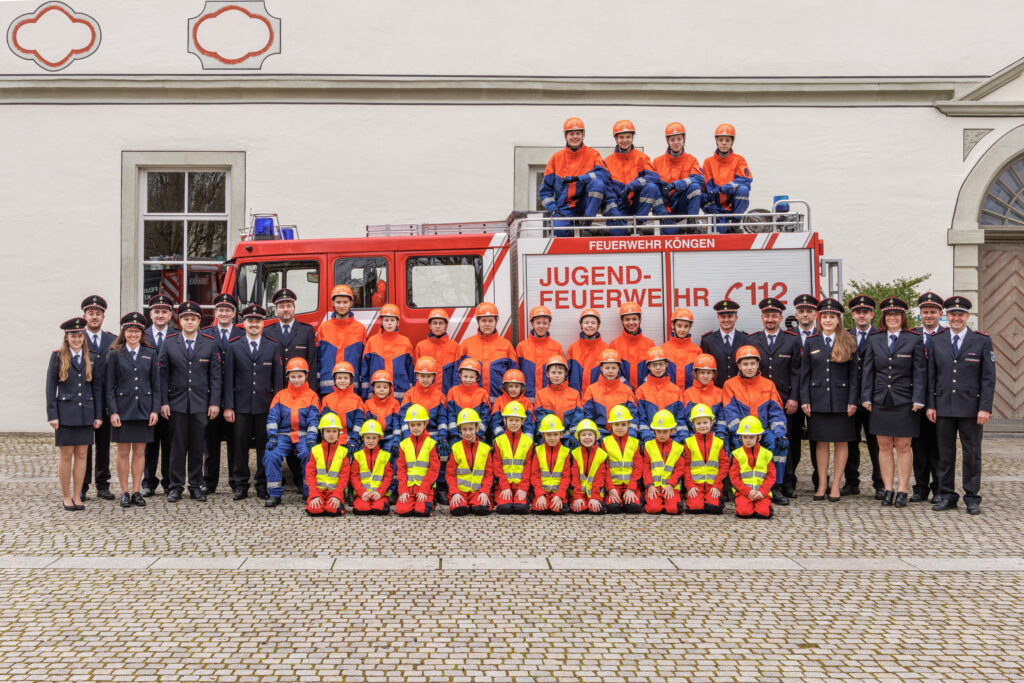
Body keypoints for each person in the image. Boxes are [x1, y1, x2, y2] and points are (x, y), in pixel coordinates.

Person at [927, 296, 995, 515]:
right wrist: (931, 405)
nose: (956, 318)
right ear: (947, 316)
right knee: (944, 454)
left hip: (971, 409)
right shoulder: (937, 340)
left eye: (961, 314)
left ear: (967, 316)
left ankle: (972, 497)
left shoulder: (981, 341)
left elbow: (988, 378)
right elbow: (931, 376)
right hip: (943, 406)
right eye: (953, 314)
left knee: (972, 454)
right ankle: (947, 495)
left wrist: (985, 408)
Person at [861, 297, 927, 507]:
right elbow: (868, 370)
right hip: (880, 399)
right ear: (883, 318)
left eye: (896, 314)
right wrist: (866, 397)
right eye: (889, 315)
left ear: (902, 317)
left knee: (903, 446)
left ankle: (902, 490)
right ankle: (888, 488)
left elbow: (919, 371)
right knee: (883, 446)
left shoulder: (914, 339)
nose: (892, 318)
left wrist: (918, 398)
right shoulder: (875, 339)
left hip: (905, 400)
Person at [159, 301, 221, 502]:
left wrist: (214, 402)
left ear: (199, 321)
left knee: (197, 447)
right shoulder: (169, 343)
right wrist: (163, 402)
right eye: (185, 318)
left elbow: (215, 376)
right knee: (177, 447)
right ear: (180, 321)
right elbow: (163, 376)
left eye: (193, 318)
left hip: (200, 403)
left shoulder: (209, 343)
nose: (189, 322)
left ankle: (195, 485)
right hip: (176, 403)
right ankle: (175, 486)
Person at [799, 298, 859, 502]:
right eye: (824, 316)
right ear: (820, 319)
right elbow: (805, 374)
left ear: (838, 319)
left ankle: (836, 486)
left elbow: (854, 375)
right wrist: (805, 400)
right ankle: (822, 484)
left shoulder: (849, 340)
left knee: (842, 443)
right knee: (821, 443)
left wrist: (853, 400)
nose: (827, 320)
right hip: (818, 400)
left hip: (842, 401)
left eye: (832, 316)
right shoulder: (811, 342)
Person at [223, 303, 283, 500]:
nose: (254, 324)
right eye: (250, 321)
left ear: (263, 324)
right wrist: (228, 406)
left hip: (266, 407)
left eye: (258, 321)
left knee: (264, 447)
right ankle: (241, 484)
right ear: (244, 323)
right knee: (239, 447)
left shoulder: (273, 346)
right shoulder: (234, 346)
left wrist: (277, 407)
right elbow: (228, 379)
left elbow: (278, 379)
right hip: (241, 406)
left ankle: (262, 484)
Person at [746, 297, 803, 500]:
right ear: (762, 318)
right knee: (765, 442)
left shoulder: (792, 339)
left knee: (788, 442)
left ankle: (787, 482)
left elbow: (797, 371)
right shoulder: (752, 340)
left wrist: (794, 397)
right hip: (760, 401)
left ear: (780, 318)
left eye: (774, 316)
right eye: (767, 315)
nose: (770, 319)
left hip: (786, 401)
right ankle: (766, 481)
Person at [47, 316, 103, 511]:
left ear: (83, 337)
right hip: (65, 413)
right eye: (73, 336)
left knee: (82, 455)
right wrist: (52, 414)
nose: (77, 339)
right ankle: (66, 496)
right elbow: (50, 387)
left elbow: (97, 388)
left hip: (86, 412)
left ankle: (77, 495)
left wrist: (98, 415)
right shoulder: (57, 357)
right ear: (67, 337)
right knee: (66, 455)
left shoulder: (92, 357)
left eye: (80, 336)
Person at [721, 345, 789, 504]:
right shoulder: (730, 385)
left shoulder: (768, 384)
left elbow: (776, 412)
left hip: (764, 431)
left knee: (779, 445)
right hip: (742, 433)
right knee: (742, 452)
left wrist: (780, 433)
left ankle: (775, 487)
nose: (749, 367)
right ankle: (742, 489)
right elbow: (730, 413)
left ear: (758, 364)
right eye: (745, 364)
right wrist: (740, 433)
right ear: (739, 365)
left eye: (752, 363)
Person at [105, 312, 160, 508]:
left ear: (142, 334)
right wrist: (112, 411)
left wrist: (155, 410)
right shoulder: (115, 353)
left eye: (137, 331)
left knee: (139, 452)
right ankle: (124, 492)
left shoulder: (150, 353)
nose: (133, 334)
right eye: (130, 331)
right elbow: (109, 386)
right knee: (122, 453)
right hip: (123, 410)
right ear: (124, 333)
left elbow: (156, 385)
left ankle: (137, 491)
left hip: (144, 410)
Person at [538, 117, 612, 237]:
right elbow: (545, 192)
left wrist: (580, 178)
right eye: (571, 134)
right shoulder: (556, 159)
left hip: (586, 204)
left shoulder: (593, 155)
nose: (575, 137)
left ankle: (586, 223)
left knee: (598, 183)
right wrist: (554, 210)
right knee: (560, 231)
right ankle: (579, 231)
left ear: (583, 135)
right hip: (564, 207)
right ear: (565, 136)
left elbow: (603, 175)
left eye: (578, 133)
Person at [201, 292, 243, 496]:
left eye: (228, 310)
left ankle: (236, 481)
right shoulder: (205, 334)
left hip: (236, 396)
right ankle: (209, 482)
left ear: (234, 313)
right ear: (215, 313)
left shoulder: (242, 333)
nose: (224, 313)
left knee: (236, 441)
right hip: (212, 397)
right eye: (220, 310)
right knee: (211, 442)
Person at [264, 358, 320, 508]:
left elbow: (314, 421)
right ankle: (274, 494)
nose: (296, 380)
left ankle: (308, 492)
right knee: (271, 455)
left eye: (299, 376)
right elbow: (272, 418)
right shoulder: (280, 395)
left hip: (304, 436)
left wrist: (311, 438)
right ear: (288, 376)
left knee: (309, 454)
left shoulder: (312, 396)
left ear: (306, 375)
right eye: (293, 376)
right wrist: (272, 437)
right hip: (282, 435)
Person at [844, 295, 882, 498]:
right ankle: (851, 482)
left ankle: (880, 483)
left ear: (872, 314)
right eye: (858, 312)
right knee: (850, 442)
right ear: (852, 315)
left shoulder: (880, 335)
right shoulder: (844, 336)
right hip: (850, 398)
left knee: (877, 444)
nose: (861, 315)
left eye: (865, 312)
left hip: (874, 399)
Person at [910, 291, 945, 502]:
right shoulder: (911, 335)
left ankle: (939, 488)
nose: (929, 315)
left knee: (938, 448)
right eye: (925, 312)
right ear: (920, 313)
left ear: (940, 313)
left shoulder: (946, 336)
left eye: (933, 312)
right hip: (915, 400)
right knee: (919, 447)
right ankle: (921, 488)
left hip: (940, 401)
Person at [80, 295, 116, 501]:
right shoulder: (77, 338)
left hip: (106, 400)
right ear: (84, 316)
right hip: (85, 400)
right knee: (84, 445)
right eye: (91, 313)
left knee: (104, 445)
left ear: (103, 316)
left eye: (98, 314)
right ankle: (83, 484)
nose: (94, 317)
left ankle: (103, 484)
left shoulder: (112, 340)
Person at [603, 120, 667, 234]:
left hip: (637, 204)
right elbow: (607, 190)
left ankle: (639, 223)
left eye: (628, 137)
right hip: (619, 205)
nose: (625, 140)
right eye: (621, 137)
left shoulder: (642, 158)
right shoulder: (607, 162)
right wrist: (614, 212)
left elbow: (654, 176)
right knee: (617, 235)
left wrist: (633, 185)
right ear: (616, 138)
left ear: (632, 137)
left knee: (652, 187)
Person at [400, 357, 449, 500]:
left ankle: (440, 487)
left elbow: (442, 419)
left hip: (433, 435)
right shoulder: (409, 394)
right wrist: (407, 438)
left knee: (443, 452)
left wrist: (442, 437)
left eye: (428, 376)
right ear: (417, 375)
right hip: (413, 434)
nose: (425, 379)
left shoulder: (439, 395)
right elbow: (404, 419)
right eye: (422, 376)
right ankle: (407, 488)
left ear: (434, 376)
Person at [142, 293, 177, 496]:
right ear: (151, 314)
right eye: (156, 311)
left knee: (170, 443)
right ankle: (148, 481)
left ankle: (169, 481)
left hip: (172, 398)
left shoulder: (178, 335)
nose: (160, 315)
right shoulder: (141, 335)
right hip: (148, 398)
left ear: (170, 315)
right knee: (150, 443)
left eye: (164, 311)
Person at [787, 293, 819, 494]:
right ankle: (790, 479)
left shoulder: (824, 334)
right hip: (794, 397)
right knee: (793, 440)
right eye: (801, 311)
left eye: (809, 311)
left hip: (818, 396)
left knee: (819, 440)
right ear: (796, 315)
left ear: (815, 314)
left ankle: (819, 479)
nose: (805, 314)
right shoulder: (788, 337)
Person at [458, 302, 517, 400]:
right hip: (472, 402)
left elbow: (515, 374)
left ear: (496, 322)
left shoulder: (506, 345)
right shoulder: (466, 344)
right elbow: (457, 376)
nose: (487, 324)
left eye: (490, 321)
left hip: (499, 402)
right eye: (483, 321)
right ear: (478, 322)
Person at [315, 284, 366, 396]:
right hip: (328, 390)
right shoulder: (324, 328)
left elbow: (364, 362)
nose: (341, 306)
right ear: (332, 303)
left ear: (351, 303)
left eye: (345, 302)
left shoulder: (360, 329)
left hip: (352, 390)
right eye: (338, 302)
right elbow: (317, 359)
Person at [653, 122, 704, 230]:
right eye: (672, 139)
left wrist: (676, 185)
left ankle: (691, 224)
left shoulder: (691, 160)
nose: (676, 142)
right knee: (668, 233)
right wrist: (662, 213)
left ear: (684, 139)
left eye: (679, 139)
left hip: (682, 206)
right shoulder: (657, 162)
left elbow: (699, 178)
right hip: (664, 209)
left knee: (695, 186)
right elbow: (654, 190)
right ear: (667, 140)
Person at [636, 346, 689, 446]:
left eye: (661, 364)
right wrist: (648, 440)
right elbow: (642, 421)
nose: (658, 368)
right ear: (648, 367)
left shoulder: (676, 391)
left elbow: (680, 420)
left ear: (666, 364)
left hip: (673, 441)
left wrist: (683, 440)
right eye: (654, 365)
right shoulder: (641, 391)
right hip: (650, 440)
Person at [395, 403, 442, 517]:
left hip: (425, 488)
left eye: (419, 424)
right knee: (402, 510)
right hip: (409, 488)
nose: (415, 428)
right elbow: (401, 470)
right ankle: (414, 503)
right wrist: (403, 491)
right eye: (412, 425)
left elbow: (433, 470)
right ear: (408, 425)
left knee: (421, 511)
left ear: (425, 423)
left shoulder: (431, 444)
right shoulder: (403, 444)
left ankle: (431, 500)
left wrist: (424, 490)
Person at [682, 404, 728, 514]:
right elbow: (685, 467)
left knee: (714, 509)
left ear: (711, 423)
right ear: (693, 425)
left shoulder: (719, 442)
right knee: (695, 508)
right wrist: (690, 486)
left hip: (713, 486)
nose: (702, 426)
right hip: (695, 486)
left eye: (705, 422)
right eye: (698, 423)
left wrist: (717, 486)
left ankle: (715, 500)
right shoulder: (689, 443)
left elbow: (724, 466)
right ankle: (697, 500)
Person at [361, 303, 414, 400]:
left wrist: (411, 394)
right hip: (376, 397)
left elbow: (410, 370)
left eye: (392, 320)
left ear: (398, 322)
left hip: (400, 395)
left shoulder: (405, 342)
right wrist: (365, 394)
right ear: (381, 322)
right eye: (386, 320)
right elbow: (365, 370)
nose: (389, 323)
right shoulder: (372, 341)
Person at [701, 123, 752, 223]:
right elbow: (706, 188)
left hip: (733, 205)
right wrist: (711, 206)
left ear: (732, 141)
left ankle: (736, 222)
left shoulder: (739, 160)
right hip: (715, 206)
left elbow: (745, 179)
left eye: (727, 140)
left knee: (743, 190)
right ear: (716, 141)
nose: (724, 143)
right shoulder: (708, 162)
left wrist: (725, 188)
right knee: (721, 230)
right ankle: (720, 221)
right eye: (721, 140)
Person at [447, 409, 494, 516]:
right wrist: (454, 493)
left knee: (481, 510)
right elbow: (450, 475)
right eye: (464, 429)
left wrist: (484, 492)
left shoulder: (485, 449)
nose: (468, 433)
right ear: (460, 429)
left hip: (478, 492)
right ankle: (463, 503)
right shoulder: (455, 448)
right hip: (460, 492)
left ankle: (481, 501)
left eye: (471, 429)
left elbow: (488, 474)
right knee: (458, 511)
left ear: (477, 428)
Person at [582, 349, 639, 438]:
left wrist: (630, 437)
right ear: (601, 368)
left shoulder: (627, 390)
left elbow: (633, 416)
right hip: (599, 435)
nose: (610, 371)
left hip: (622, 435)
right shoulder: (591, 390)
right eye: (607, 368)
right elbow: (588, 417)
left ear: (618, 368)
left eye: (614, 368)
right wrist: (596, 437)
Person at [270, 288, 317, 392]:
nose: (286, 309)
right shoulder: (267, 332)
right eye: (281, 307)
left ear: (294, 308)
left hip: (300, 389)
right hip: (276, 389)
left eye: (289, 306)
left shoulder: (307, 331)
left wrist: (311, 391)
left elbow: (312, 363)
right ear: (276, 309)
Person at [492, 402, 534, 514]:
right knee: (504, 509)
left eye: (517, 420)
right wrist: (505, 486)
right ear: (505, 421)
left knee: (521, 509)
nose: (514, 423)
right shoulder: (499, 441)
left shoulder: (528, 442)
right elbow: (497, 466)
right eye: (511, 420)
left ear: (522, 421)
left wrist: (523, 488)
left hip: (521, 486)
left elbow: (529, 467)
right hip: (503, 486)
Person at [304, 413, 349, 517]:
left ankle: (337, 505)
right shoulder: (315, 450)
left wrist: (337, 496)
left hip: (334, 492)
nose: (331, 434)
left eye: (334, 431)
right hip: (318, 491)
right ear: (322, 432)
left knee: (332, 510)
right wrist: (314, 495)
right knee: (314, 510)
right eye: (328, 431)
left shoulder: (343, 452)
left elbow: (344, 477)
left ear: (338, 433)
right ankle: (320, 503)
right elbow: (310, 475)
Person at [729, 416, 775, 519]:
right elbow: (734, 478)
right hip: (743, 493)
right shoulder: (737, 454)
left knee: (764, 513)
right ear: (741, 437)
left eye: (751, 437)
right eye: (745, 437)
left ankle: (765, 505)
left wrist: (762, 492)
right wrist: (747, 492)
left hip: (762, 493)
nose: (748, 440)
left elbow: (771, 477)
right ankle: (742, 504)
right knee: (744, 513)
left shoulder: (767, 454)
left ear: (759, 437)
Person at [642, 410, 686, 514]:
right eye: (658, 431)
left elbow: (679, 470)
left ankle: (669, 503)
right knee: (653, 509)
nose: (661, 435)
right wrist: (650, 486)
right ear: (654, 431)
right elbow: (645, 469)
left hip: (671, 487)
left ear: (672, 431)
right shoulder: (648, 446)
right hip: (654, 487)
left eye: (665, 431)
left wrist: (670, 485)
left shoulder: (678, 448)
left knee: (674, 510)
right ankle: (658, 503)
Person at [601, 406, 643, 513]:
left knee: (633, 507)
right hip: (613, 486)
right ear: (611, 425)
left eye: (623, 424)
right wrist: (610, 489)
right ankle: (620, 501)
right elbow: (604, 469)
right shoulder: (605, 442)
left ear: (629, 424)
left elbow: (638, 469)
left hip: (631, 485)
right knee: (613, 508)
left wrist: (631, 489)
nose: (620, 428)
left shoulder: (635, 443)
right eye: (616, 424)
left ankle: (627, 500)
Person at [516, 306, 564, 398]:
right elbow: (516, 373)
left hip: (550, 398)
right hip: (526, 399)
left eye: (545, 323)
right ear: (532, 323)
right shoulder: (522, 347)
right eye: (538, 323)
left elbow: (563, 376)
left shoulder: (556, 347)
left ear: (549, 324)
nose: (541, 326)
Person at [534, 355, 584, 443]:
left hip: (569, 439)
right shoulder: (540, 395)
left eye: (560, 373)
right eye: (553, 372)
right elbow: (539, 419)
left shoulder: (574, 394)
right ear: (547, 374)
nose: (556, 376)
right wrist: (544, 438)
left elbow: (577, 419)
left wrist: (572, 439)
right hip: (548, 439)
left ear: (565, 374)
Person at [530, 414, 572, 514]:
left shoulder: (566, 452)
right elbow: (534, 476)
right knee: (540, 509)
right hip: (542, 493)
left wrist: (559, 495)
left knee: (558, 509)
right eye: (548, 434)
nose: (552, 438)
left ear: (561, 434)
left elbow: (566, 477)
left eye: (555, 434)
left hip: (559, 493)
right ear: (543, 435)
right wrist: (540, 495)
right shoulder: (537, 451)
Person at [650, 308, 701, 389]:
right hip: (669, 395)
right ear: (673, 325)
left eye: (686, 326)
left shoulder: (697, 350)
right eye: (679, 326)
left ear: (690, 327)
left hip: (690, 395)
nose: (682, 329)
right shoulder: (663, 349)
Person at [701, 299, 748, 386]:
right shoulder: (707, 340)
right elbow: (704, 369)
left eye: (730, 316)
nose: (726, 320)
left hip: (740, 389)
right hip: (716, 389)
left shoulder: (746, 339)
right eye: (723, 316)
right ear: (718, 317)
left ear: (736, 317)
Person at [350, 419, 392, 515]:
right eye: (368, 438)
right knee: (361, 509)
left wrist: (380, 492)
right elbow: (354, 477)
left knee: (380, 509)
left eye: (374, 438)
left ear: (379, 438)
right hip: (362, 494)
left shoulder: (385, 456)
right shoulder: (357, 456)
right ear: (362, 438)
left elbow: (388, 477)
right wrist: (362, 492)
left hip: (380, 495)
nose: (371, 441)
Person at [320, 361, 366, 450]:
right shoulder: (327, 400)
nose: (342, 381)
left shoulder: (357, 400)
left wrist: (354, 440)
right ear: (334, 380)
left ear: (351, 380)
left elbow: (359, 423)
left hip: (351, 442)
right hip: (332, 441)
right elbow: (323, 423)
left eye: (345, 378)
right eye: (339, 378)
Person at [414, 309, 461, 394]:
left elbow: (457, 374)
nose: (438, 326)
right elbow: (415, 375)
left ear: (446, 325)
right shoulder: (421, 346)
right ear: (430, 325)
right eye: (434, 323)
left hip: (447, 395)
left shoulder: (455, 346)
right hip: (426, 395)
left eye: (441, 323)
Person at [570, 419, 612, 514]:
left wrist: (595, 497)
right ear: (578, 438)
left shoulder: (602, 455)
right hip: (579, 495)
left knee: (596, 510)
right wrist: (577, 497)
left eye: (590, 434)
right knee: (579, 509)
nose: (587, 437)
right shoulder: (574, 454)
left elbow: (599, 479)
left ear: (596, 437)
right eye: (583, 435)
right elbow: (574, 478)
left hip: (595, 494)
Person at [445, 358, 490, 445]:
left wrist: (477, 434)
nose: (468, 380)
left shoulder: (483, 394)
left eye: (471, 377)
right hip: (456, 437)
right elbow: (451, 415)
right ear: (460, 375)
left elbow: (485, 418)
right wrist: (454, 435)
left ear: (477, 377)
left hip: (478, 436)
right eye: (465, 376)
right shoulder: (453, 392)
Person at [609, 301, 654, 388]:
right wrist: (628, 389)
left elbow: (653, 371)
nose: (631, 323)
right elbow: (613, 372)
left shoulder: (650, 344)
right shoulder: (614, 345)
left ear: (640, 320)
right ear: (622, 321)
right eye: (627, 319)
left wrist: (643, 389)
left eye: (634, 319)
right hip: (622, 392)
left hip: (645, 392)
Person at [682, 354, 728, 439]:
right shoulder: (688, 393)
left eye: (709, 373)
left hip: (716, 438)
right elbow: (688, 418)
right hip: (695, 438)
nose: (705, 376)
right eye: (702, 372)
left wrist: (720, 434)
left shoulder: (720, 393)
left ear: (713, 374)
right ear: (695, 373)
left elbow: (722, 418)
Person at [566, 309, 609, 394]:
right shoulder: (573, 348)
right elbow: (565, 376)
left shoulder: (606, 349)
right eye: (586, 322)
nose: (589, 325)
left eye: (593, 323)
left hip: (599, 398)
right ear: (581, 325)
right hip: (576, 398)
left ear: (598, 325)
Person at [363, 369, 402, 460]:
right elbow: (366, 425)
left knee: (390, 457)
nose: (381, 390)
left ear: (390, 389)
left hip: (390, 437)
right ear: (373, 388)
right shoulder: (368, 404)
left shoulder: (395, 403)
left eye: (385, 387)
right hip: (373, 437)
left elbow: (396, 425)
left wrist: (396, 441)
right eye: (378, 387)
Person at [490, 369, 535, 440]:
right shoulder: (499, 401)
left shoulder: (527, 402)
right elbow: (495, 422)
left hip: (521, 439)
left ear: (522, 388)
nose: (513, 389)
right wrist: (501, 437)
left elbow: (529, 425)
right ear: (505, 387)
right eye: (511, 386)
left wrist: (526, 441)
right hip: (502, 438)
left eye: (516, 386)